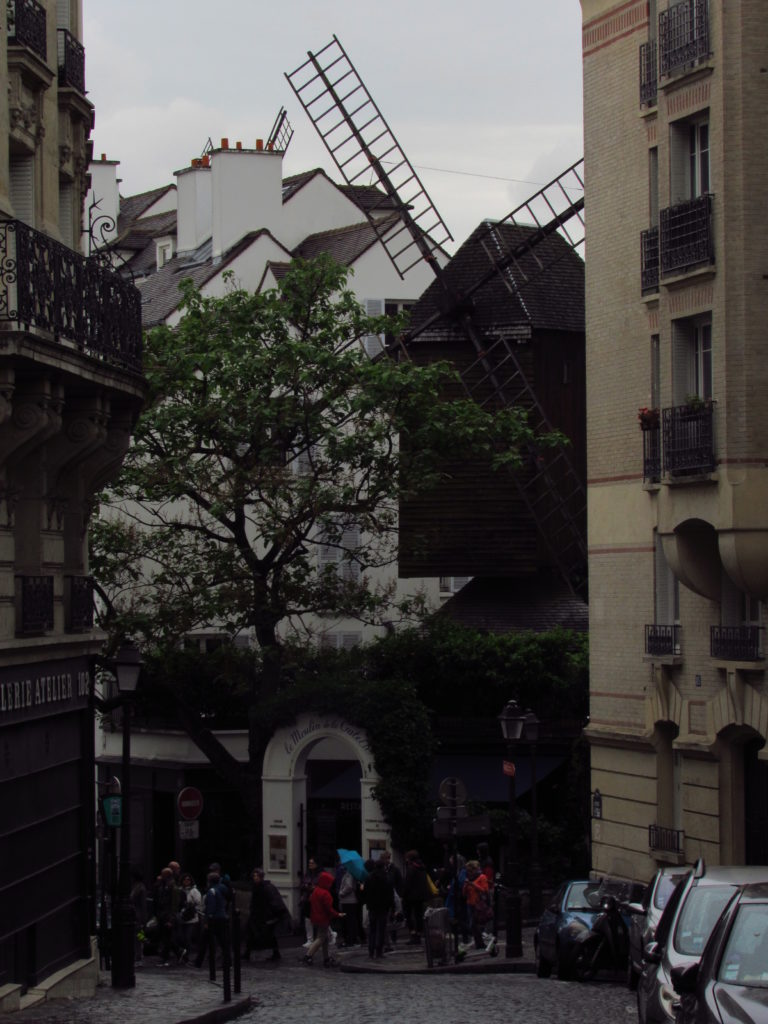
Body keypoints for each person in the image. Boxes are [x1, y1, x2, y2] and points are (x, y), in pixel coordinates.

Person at [244, 867, 289, 962]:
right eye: (254, 876)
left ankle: (276, 953)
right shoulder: (257, 887)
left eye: (257, 876)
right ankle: (247, 953)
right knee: (251, 933)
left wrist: (273, 914)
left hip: (265, 916)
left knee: (270, 935)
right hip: (257, 915)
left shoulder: (267, 887)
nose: (255, 878)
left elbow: (273, 901)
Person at [303, 871, 345, 967]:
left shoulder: (316, 891)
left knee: (324, 938)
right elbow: (328, 909)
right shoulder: (326, 894)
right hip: (323, 919)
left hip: (315, 917)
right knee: (321, 938)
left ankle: (326, 958)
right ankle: (308, 955)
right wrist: (338, 914)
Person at [194, 871, 230, 969]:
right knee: (223, 942)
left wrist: (207, 921)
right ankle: (228, 962)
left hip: (214, 919)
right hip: (222, 917)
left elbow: (211, 907)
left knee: (205, 941)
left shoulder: (212, 891)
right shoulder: (222, 889)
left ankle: (198, 963)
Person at [361, 859, 394, 959]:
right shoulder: (386, 878)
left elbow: (365, 893)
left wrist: (367, 903)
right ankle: (379, 951)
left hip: (372, 907)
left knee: (372, 929)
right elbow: (390, 894)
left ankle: (371, 951)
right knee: (381, 930)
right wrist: (390, 906)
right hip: (383, 907)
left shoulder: (369, 878)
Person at [155, 866, 185, 965]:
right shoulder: (165, 885)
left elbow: (174, 905)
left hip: (168, 915)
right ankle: (176, 953)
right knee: (166, 938)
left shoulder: (173, 887)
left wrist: (171, 919)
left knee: (168, 938)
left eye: (163, 874)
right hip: (163, 915)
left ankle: (174, 953)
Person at [402, 850, 431, 944]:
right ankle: (418, 933)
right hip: (420, 896)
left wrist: (404, 894)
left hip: (411, 896)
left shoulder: (411, 868)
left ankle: (413, 934)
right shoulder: (421, 867)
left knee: (409, 915)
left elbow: (408, 883)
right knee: (418, 915)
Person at [463, 859, 492, 949]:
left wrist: (472, 884)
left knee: (475, 924)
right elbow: (464, 894)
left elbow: (484, 890)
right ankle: (479, 943)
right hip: (470, 904)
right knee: (473, 925)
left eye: (470, 871)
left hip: (478, 904)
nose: (469, 873)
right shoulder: (469, 879)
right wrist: (466, 886)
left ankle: (480, 943)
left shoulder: (482, 877)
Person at [380, 850, 403, 949]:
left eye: (387, 858)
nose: (386, 861)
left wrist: (399, 894)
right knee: (387, 918)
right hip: (385, 897)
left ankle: (393, 936)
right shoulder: (381, 869)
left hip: (394, 896)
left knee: (393, 916)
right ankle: (388, 937)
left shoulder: (394, 869)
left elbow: (399, 882)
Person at [179, 873, 203, 958]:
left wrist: (190, 905)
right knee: (181, 937)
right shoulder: (180, 890)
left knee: (188, 937)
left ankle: (187, 955)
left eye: (188, 879)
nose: (186, 881)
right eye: (185, 879)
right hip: (182, 916)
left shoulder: (194, 891)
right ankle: (183, 953)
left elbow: (198, 902)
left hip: (191, 917)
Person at [299, 857, 320, 946]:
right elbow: (302, 884)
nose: (310, 864)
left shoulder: (319, 874)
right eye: (309, 863)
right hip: (308, 899)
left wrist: (314, 887)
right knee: (308, 919)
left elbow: (321, 885)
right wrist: (306, 886)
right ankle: (310, 939)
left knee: (319, 918)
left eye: (312, 863)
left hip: (316, 898)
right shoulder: (307, 874)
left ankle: (330, 934)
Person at [130, 870, 148, 966]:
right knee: (136, 935)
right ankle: (137, 954)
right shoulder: (136, 887)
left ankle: (139, 955)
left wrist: (143, 919)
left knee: (139, 935)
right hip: (135, 915)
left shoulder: (140, 888)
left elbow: (143, 904)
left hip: (138, 916)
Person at [338, 869, 360, 947]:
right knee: (350, 920)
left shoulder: (349, 874)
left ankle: (350, 940)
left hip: (348, 901)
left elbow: (349, 886)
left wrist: (341, 893)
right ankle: (352, 939)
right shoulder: (349, 874)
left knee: (348, 921)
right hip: (349, 901)